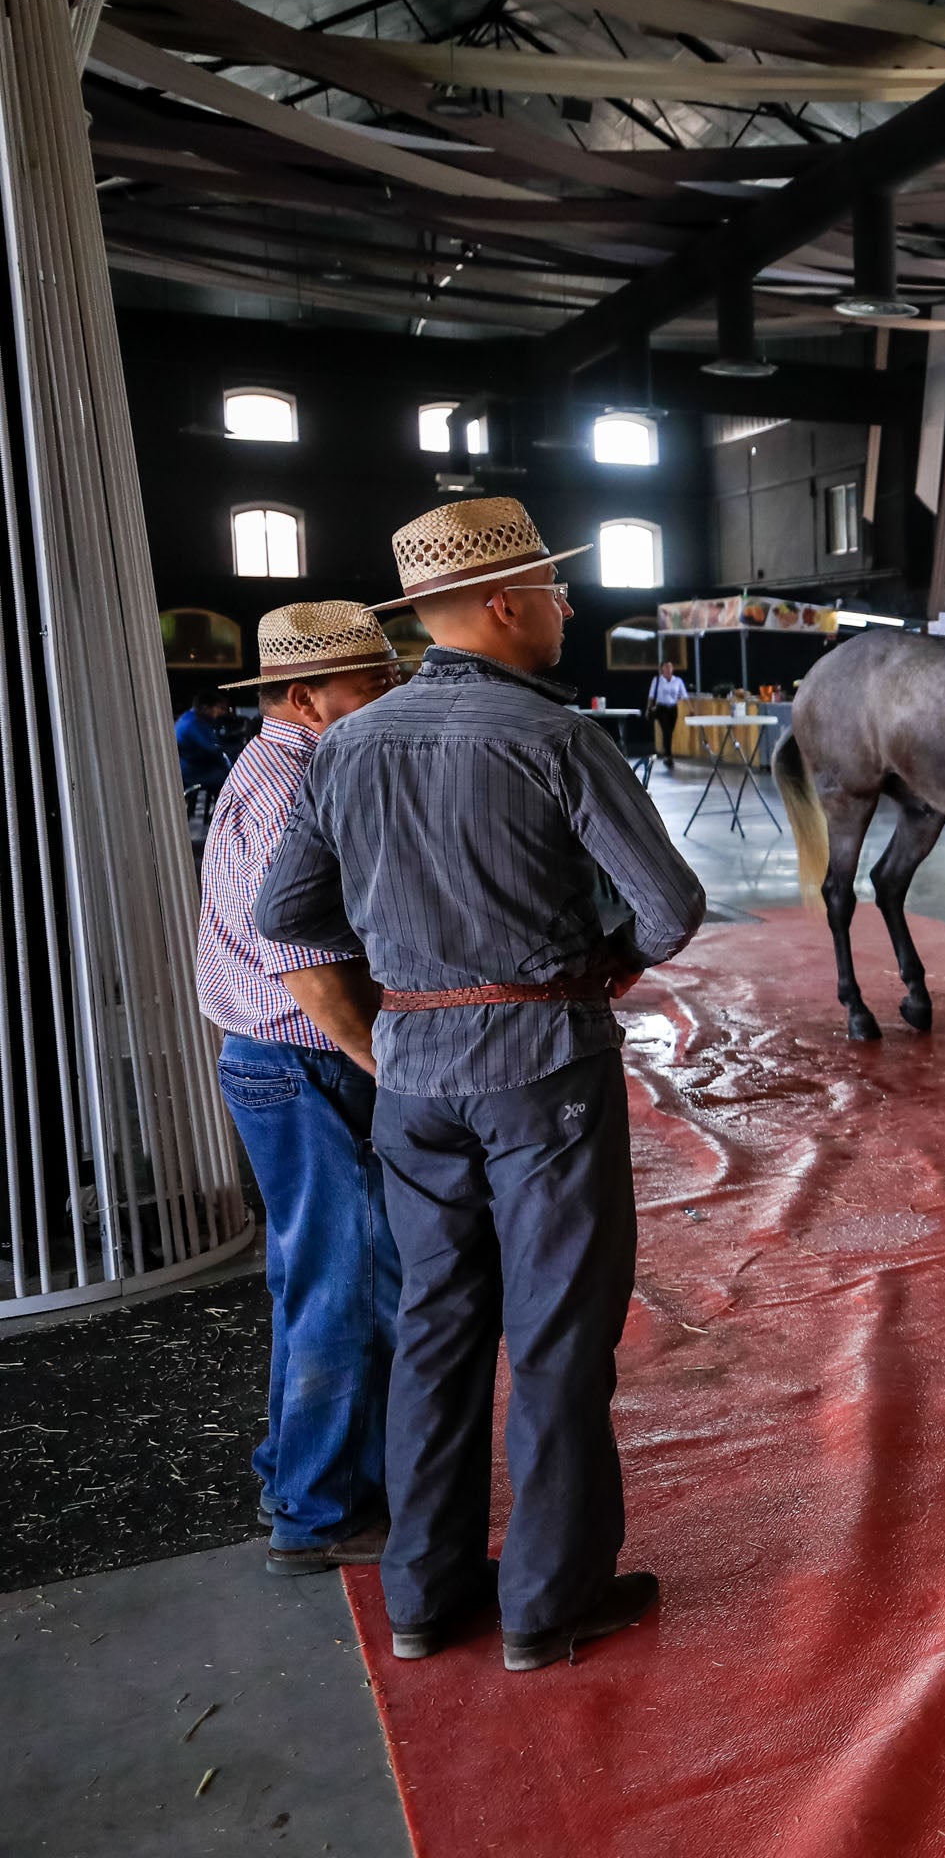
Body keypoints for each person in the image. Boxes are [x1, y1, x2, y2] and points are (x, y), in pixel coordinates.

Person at [259, 498, 706, 1673]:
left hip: (413, 1076)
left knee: (436, 1328)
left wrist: (402, 978)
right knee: (557, 1334)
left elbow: (282, 916)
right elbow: (669, 907)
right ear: (507, 603)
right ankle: (548, 1603)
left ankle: (423, 1594)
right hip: (544, 1068)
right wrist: (603, 963)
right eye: (558, 589)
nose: (569, 605)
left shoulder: (348, 746)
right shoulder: (558, 739)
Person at [195, 603, 404, 1577]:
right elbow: (307, 966)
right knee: (351, 1284)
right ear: (301, 697)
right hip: (304, 1060)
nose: (388, 694)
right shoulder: (287, 793)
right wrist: (387, 1064)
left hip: (272, 1063)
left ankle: (297, 1472)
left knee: (312, 1279)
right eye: (370, 682)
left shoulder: (286, 770)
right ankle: (324, 1511)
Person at [176, 685, 236, 800]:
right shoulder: (195, 723)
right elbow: (214, 749)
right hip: (191, 772)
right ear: (205, 708)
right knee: (231, 778)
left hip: (187, 768)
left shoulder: (189, 717)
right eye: (218, 708)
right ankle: (226, 811)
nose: (220, 713)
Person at [645, 657, 688, 773]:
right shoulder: (657, 680)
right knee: (666, 730)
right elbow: (651, 695)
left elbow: (684, 695)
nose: (668, 669)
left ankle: (667, 752)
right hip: (661, 708)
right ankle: (668, 755)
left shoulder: (677, 681)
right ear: (662, 669)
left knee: (670, 731)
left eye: (670, 667)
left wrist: (690, 708)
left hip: (672, 708)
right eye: (666, 668)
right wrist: (648, 708)